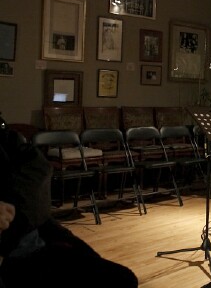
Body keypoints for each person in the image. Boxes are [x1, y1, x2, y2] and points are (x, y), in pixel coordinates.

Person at [0, 115, 138, 288]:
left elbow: (37, 167)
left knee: (122, 279)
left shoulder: (7, 140)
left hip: (37, 236)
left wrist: (11, 212)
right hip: (14, 257)